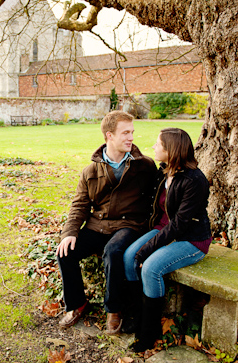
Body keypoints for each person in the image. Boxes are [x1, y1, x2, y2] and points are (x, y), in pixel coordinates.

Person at [56, 111, 157, 334]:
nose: (131, 137)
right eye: (125, 133)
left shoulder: (145, 166)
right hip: (98, 225)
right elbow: (80, 205)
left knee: (113, 251)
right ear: (109, 136)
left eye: (132, 132)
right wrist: (70, 232)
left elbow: (160, 196)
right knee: (65, 252)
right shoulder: (90, 171)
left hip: (129, 225)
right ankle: (77, 303)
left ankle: (114, 310)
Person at [123, 127, 212, 351]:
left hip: (191, 239)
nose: (154, 147)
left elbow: (180, 224)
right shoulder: (165, 172)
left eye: (158, 144)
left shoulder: (195, 180)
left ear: (171, 149)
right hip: (165, 230)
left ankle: (149, 332)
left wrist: (147, 250)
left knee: (150, 267)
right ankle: (138, 315)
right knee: (127, 257)